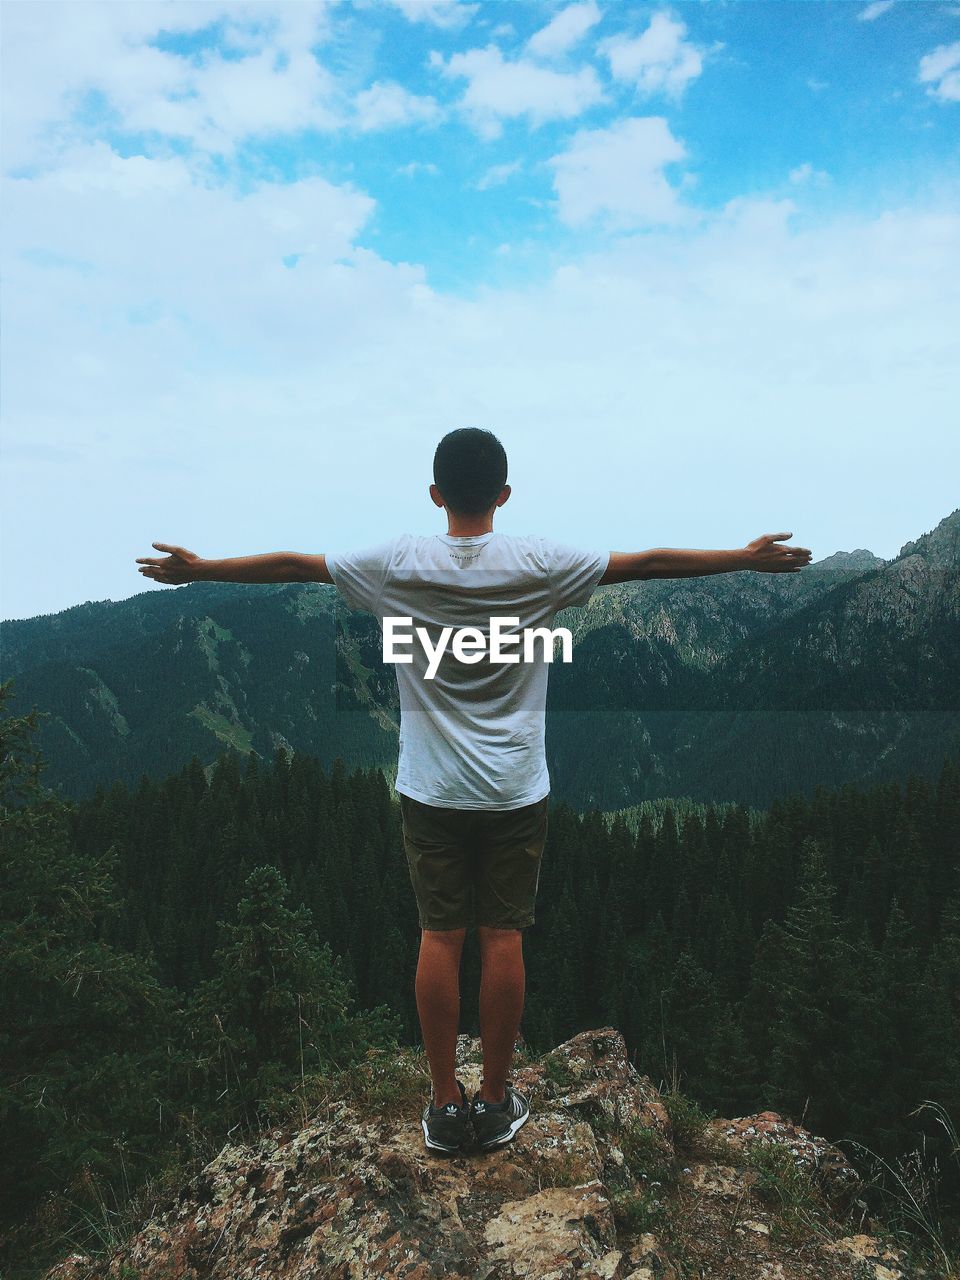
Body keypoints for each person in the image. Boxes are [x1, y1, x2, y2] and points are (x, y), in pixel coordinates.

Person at [135, 427, 812, 1157]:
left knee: (439, 936)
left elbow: (295, 564)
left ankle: (440, 1102)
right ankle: (494, 1097)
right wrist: (745, 560)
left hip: (430, 788)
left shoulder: (397, 562)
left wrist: (200, 569)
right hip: (516, 788)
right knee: (502, 936)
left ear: (435, 495)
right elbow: (647, 561)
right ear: (504, 495)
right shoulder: (540, 562)